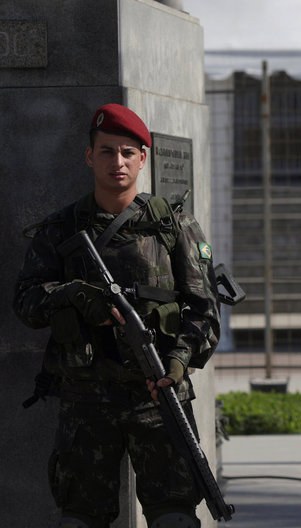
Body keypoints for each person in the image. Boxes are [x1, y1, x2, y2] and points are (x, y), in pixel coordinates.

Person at [13, 103, 220, 528]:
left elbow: (204, 311)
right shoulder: (62, 230)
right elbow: (26, 302)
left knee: (175, 519)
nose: (117, 162)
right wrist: (71, 295)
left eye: (128, 152)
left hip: (158, 398)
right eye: (107, 151)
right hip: (87, 401)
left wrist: (179, 363)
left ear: (143, 158)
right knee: (79, 519)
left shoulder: (172, 226)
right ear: (90, 156)